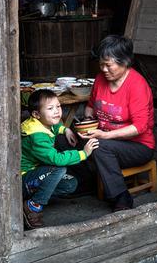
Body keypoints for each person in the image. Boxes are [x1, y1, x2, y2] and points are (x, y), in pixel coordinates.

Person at [78, 35, 155, 212]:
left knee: (99, 146)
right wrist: (87, 123)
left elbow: (140, 127)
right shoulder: (99, 79)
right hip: (106, 139)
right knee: (64, 139)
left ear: (125, 62)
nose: (104, 69)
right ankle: (81, 184)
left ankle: (122, 197)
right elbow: (91, 107)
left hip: (138, 146)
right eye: (101, 64)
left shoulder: (136, 85)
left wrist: (105, 135)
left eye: (108, 65)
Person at [21, 89, 99, 229]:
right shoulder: (37, 137)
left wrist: (65, 130)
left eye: (58, 106)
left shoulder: (40, 123)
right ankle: (33, 206)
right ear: (36, 114)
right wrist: (83, 153)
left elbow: (53, 125)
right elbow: (57, 159)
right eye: (50, 108)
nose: (57, 111)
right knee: (59, 169)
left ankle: (32, 198)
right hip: (23, 179)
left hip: (38, 173)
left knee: (70, 184)